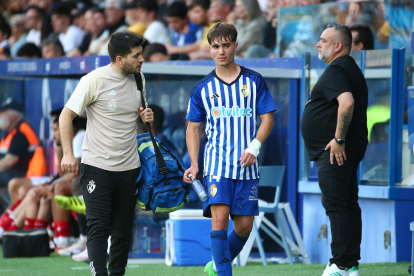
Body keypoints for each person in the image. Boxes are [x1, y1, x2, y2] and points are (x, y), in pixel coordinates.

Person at [183, 22, 276, 276]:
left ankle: (216, 265)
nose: (221, 51)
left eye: (226, 45)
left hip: (247, 167)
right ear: (210, 49)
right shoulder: (202, 88)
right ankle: (224, 273)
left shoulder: (254, 80)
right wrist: (194, 164)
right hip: (216, 166)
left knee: (244, 227)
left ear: (235, 46)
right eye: (215, 46)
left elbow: (267, 118)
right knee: (220, 221)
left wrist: (255, 147)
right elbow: (192, 129)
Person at [59, 32, 153, 276]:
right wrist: (68, 154)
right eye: (137, 55)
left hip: (130, 168)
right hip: (97, 168)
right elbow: (65, 115)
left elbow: (137, 118)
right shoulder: (93, 80)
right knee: (98, 227)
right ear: (120, 59)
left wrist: (145, 117)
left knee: (122, 231)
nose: (142, 59)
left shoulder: (139, 78)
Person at [300, 23, 368, 276]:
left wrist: (338, 139)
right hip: (343, 147)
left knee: (337, 204)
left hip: (335, 149)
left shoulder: (338, 67)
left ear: (338, 45)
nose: (318, 44)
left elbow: (346, 103)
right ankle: (349, 265)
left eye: (323, 40)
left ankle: (339, 265)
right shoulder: (347, 67)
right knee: (347, 203)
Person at [0, 98, 43, 187]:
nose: (0, 116)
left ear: (14, 116)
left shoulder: (21, 132)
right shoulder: (10, 131)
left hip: (22, 176)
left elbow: (9, 161)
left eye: (3, 113)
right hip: (10, 175)